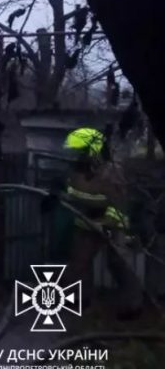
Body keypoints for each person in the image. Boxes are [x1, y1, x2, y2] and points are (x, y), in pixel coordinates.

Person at [60, 127, 143, 319]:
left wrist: (73, 191)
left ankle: (132, 306)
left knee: (117, 263)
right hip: (90, 221)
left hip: (112, 222)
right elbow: (82, 193)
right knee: (80, 261)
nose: (79, 156)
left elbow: (112, 200)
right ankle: (80, 300)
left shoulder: (112, 170)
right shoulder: (86, 169)